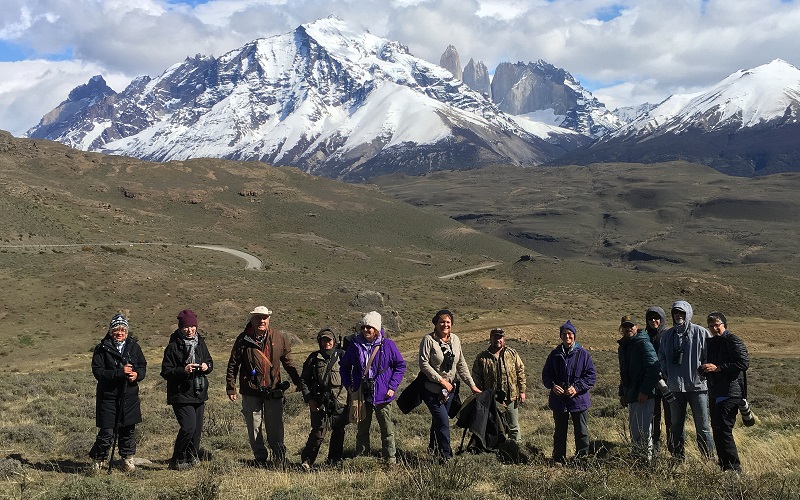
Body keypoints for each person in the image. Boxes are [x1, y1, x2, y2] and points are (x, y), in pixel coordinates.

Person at [225, 306, 302, 468]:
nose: (261, 321)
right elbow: (233, 364)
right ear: (251, 321)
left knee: (275, 426)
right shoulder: (243, 339)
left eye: (264, 318)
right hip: (250, 390)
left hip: (274, 389)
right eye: (258, 318)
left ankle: (279, 458)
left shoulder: (279, 337)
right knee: (254, 427)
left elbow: (288, 362)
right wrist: (231, 387)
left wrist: (298, 381)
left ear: (269, 320)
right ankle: (260, 457)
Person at [340, 311, 406, 464]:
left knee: (386, 428)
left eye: (369, 327)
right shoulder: (355, 345)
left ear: (376, 328)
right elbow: (344, 366)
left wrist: (392, 386)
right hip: (362, 392)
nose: (366, 330)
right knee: (362, 427)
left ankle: (390, 458)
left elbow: (400, 365)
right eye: (364, 327)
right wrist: (349, 386)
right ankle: (362, 458)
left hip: (383, 393)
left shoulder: (388, 345)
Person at [418, 309, 481, 461]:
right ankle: (446, 456)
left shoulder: (455, 340)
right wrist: (441, 381)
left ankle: (433, 450)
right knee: (443, 421)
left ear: (452, 324)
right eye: (442, 322)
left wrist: (472, 385)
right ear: (436, 323)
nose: (445, 325)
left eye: (448, 322)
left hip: (449, 391)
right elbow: (423, 364)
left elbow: (461, 364)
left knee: (438, 421)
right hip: (432, 389)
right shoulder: (428, 340)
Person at [89, 313, 147, 473]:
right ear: (110, 331)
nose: (120, 333)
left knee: (128, 430)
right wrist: (119, 372)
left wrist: (137, 375)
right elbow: (98, 372)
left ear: (127, 331)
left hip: (129, 396)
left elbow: (142, 366)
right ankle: (98, 460)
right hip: (108, 397)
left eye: (123, 330)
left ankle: (127, 460)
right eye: (116, 330)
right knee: (107, 432)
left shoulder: (134, 346)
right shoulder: (101, 348)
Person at [658, 300, 714, 461]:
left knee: (702, 427)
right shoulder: (667, 335)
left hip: (698, 388)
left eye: (682, 313)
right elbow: (661, 357)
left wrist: (703, 373)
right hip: (675, 388)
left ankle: (708, 460)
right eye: (676, 313)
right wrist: (667, 373)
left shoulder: (701, 333)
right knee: (675, 426)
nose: (678, 316)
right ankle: (677, 458)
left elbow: (708, 356)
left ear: (688, 314)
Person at [160, 309, 213, 470]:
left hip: (199, 392)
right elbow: (166, 371)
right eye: (186, 327)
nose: (190, 330)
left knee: (196, 431)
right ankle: (177, 459)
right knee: (188, 427)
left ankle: (191, 456)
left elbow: (210, 362)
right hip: (181, 393)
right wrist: (184, 370)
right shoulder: (173, 346)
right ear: (180, 328)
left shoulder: (200, 342)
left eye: (192, 326)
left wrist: (206, 366)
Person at [700, 312, 749, 473]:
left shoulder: (732, 340)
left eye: (717, 325)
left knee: (724, 430)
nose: (714, 328)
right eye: (711, 326)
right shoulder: (712, 342)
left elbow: (743, 362)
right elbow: (712, 364)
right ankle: (724, 466)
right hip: (716, 391)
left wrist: (718, 368)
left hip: (730, 392)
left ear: (724, 325)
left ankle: (734, 469)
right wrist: (705, 369)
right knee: (717, 429)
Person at [541, 320, 596, 464]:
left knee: (582, 432)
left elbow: (591, 377)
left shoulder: (583, 354)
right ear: (560, 336)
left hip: (579, 400)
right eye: (564, 334)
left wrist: (576, 388)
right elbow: (546, 376)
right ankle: (559, 458)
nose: (567, 337)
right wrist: (553, 386)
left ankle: (583, 459)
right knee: (559, 432)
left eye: (570, 334)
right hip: (559, 401)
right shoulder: (554, 355)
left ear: (574, 336)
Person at [300, 327, 348, 470]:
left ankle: (334, 460)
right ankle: (307, 461)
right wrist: (309, 399)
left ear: (334, 341)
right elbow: (304, 380)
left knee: (339, 431)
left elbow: (352, 376)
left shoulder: (343, 356)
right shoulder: (314, 358)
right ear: (319, 341)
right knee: (318, 432)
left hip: (340, 401)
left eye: (329, 340)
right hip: (320, 401)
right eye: (324, 340)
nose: (327, 343)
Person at [471, 327, 527, 443]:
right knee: (495, 426)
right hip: (493, 399)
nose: (498, 340)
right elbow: (476, 376)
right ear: (490, 339)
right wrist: (480, 394)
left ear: (504, 339)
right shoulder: (482, 357)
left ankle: (515, 449)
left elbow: (520, 371)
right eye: (495, 337)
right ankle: (496, 449)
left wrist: (522, 391)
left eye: (500, 337)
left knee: (513, 426)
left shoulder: (512, 353)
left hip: (511, 397)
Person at [617, 314, 660, 462]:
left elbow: (654, 369)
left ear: (637, 327)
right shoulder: (624, 346)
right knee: (635, 429)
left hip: (643, 395)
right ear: (621, 329)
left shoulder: (643, 343)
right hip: (632, 393)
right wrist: (622, 392)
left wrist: (645, 391)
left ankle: (644, 462)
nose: (628, 328)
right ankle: (638, 459)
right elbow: (623, 371)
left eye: (631, 326)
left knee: (643, 430)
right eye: (625, 326)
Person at [644, 306, 672, 454]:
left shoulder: (667, 335)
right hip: (651, 383)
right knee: (653, 417)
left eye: (656, 318)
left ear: (661, 319)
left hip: (667, 382)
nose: (653, 321)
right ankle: (655, 450)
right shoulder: (644, 336)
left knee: (670, 418)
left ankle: (673, 449)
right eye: (650, 318)